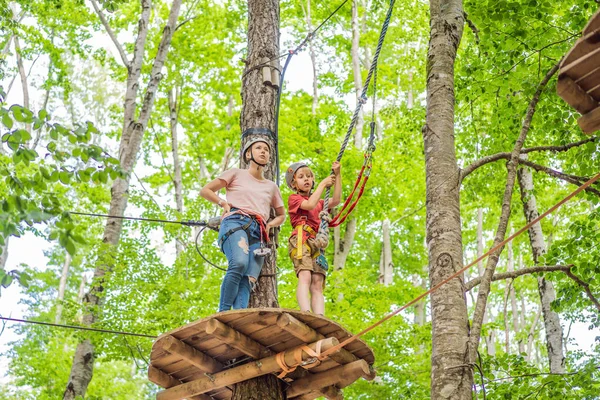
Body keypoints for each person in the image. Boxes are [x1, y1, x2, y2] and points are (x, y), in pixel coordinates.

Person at [200, 137, 285, 312]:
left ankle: (238, 316)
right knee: (238, 263)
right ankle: (223, 313)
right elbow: (206, 190)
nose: (263, 151)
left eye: (266, 150)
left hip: (259, 232)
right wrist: (223, 203)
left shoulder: (271, 187)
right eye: (258, 148)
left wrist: (270, 225)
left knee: (248, 279)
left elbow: (282, 215)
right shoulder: (236, 173)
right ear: (248, 154)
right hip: (236, 222)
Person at [285, 161, 342, 315]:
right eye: (302, 176)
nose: (307, 179)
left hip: (317, 242)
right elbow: (309, 205)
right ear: (294, 183)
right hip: (301, 239)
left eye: (309, 176)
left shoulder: (321, 203)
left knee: (317, 282)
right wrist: (323, 184)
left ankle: (320, 315)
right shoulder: (294, 199)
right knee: (305, 275)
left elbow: (336, 200)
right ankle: (306, 311)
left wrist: (337, 175)